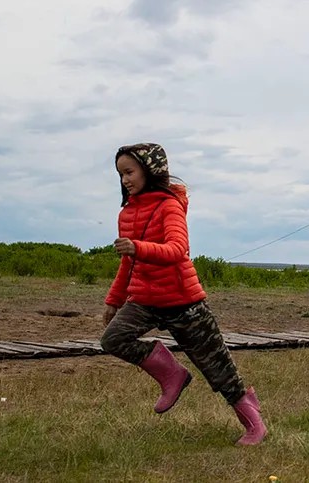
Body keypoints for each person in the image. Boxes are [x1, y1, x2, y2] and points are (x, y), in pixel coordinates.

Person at [100, 142, 266, 446]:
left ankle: (255, 425)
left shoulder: (169, 206)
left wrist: (138, 247)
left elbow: (178, 250)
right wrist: (114, 300)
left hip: (183, 301)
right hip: (145, 300)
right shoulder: (126, 214)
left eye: (129, 171)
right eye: (120, 174)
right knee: (112, 339)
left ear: (150, 171)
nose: (124, 179)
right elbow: (128, 263)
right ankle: (171, 375)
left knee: (217, 368)